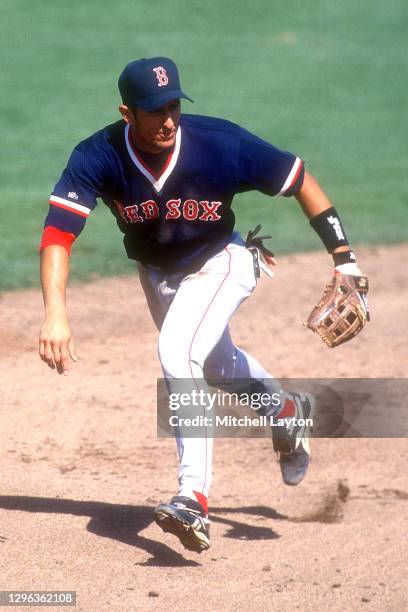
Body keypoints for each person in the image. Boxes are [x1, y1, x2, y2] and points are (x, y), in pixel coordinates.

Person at [39, 57, 366, 554]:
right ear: (127, 113)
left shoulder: (220, 143)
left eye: (173, 106)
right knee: (214, 366)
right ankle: (286, 413)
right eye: (154, 110)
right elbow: (58, 234)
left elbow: (299, 178)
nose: (168, 119)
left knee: (177, 353)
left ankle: (193, 497)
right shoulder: (97, 155)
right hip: (159, 275)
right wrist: (56, 314)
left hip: (226, 260)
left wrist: (344, 259)